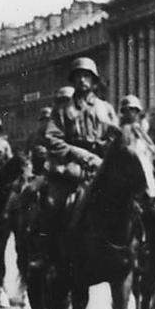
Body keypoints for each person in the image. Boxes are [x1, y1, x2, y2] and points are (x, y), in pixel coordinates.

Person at [41, 56, 119, 235]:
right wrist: (81, 155)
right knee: (53, 204)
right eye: (78, 76)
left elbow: (117, 138)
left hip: (102, 166)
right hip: (71, 167)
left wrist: (106, 150)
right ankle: (46, 252)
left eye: (87, 76)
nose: (82, 80)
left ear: (94, 80)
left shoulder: (105, 108)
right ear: (73, 80)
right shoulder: (62, 110)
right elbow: (52, 139)